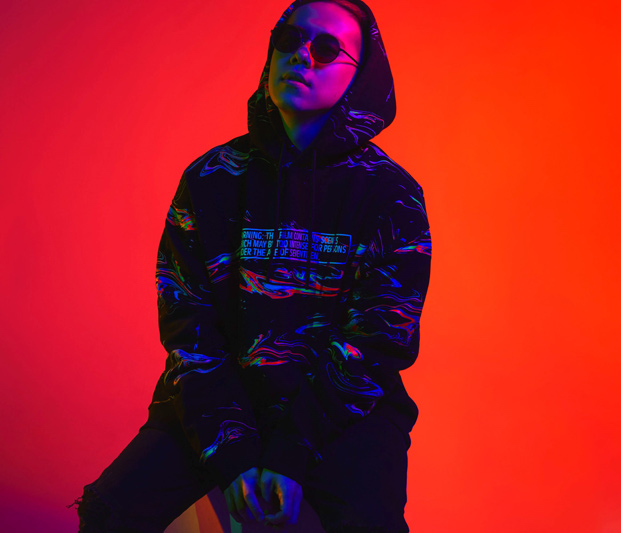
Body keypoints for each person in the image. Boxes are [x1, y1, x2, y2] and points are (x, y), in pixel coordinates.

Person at [74, 0, 431, 531]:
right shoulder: (211, 178)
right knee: (110, 512)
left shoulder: (391, 196)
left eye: (326, 48)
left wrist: (290, 454)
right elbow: (189, 328)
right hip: (222, 401)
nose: (301, 56)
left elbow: (376, 344)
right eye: (288, 39)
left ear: (362, 75)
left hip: (341, 411)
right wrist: (233, 452)